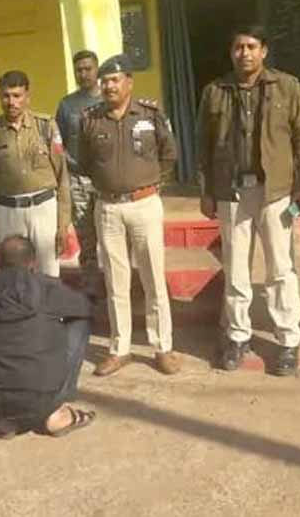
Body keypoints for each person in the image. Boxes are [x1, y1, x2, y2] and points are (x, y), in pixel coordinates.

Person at [197, 24, 300, 376]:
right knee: (235, 268)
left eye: (251, 47)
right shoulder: (215, 91)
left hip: (275, 191)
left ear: (264, 51)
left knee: (280, 268)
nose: (244, 53)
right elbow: (203, 144)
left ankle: (288, 340)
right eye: (238, 47)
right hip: (231, 192)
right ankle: (237, 336)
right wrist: (206, 190)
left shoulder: (286, 86)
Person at [79, 54, 181, 377]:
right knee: (115, 280)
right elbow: (84, 161)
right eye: (105, 81)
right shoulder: (91, 119)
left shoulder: (150, 115)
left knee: (153, 278)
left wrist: (149, 183)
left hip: (144, 204)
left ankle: (163, 347)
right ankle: (119, 348)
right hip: (108, 208)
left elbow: (169, 154)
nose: (109, 86)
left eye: (115, 80)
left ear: (129, 82)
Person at [0, 235, 96, 439]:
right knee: (80, 321)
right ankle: (56, 411)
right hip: (41, 392)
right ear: (33, 262)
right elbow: (85, 308)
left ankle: (9, 419)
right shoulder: (47, 287)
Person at [0, 70, 72, 278]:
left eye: (17, 96)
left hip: (44, 209)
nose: (11, 102)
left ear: (27, 97)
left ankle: (49, 303)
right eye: (6, 96)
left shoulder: (46, 126)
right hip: (8, 211)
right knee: (13, 277)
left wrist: (63, 224)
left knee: (48, 275)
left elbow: (62, 177)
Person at [55, 50, 104, 295]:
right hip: (78, 180)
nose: (83, 74)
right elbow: (58, 144)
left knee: (113, 237)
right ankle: (91, 287)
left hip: (107, 180)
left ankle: (116, 285)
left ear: (97, 70)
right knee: (86, 237)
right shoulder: (67, 105)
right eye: (79, 70)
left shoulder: (109, 99)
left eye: (88, 69)